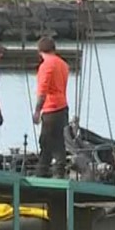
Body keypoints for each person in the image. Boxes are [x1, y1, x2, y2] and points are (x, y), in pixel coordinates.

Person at [32, 36, 71, 178]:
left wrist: (37, 111)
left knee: (46, 141)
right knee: (58, 142)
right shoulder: (63, 64)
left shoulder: (46, 65)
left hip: (51, 109)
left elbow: (42, 92)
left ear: (39, 50)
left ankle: (43, 172)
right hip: (63, 107)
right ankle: (57, 172)